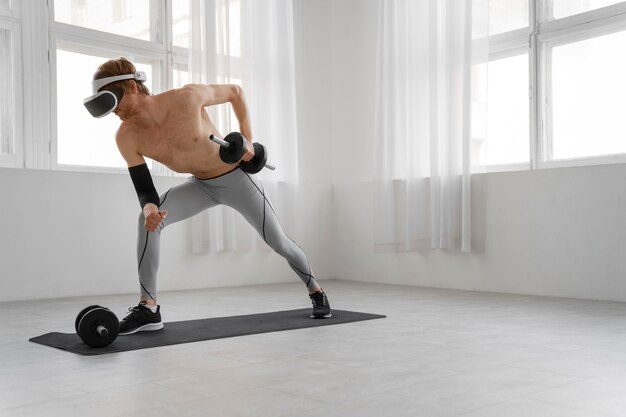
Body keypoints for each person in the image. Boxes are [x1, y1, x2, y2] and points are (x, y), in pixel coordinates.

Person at [83, 57, 331, 335]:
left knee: (278, 241)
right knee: (148, 222)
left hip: (237, 179)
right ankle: (148, 308)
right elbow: (144, 187)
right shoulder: (126, 136)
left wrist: (247, 139)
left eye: (113, 101)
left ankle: (316, 290)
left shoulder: (186, 98)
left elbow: (235, 93)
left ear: (131, 86)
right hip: (199, 187)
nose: (113, 112)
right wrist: (151, 208)